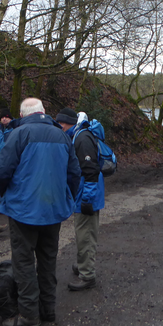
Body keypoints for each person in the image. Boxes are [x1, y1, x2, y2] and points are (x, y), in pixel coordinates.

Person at [0, 98, 81, 326]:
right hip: (52, 209)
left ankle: (29, 316)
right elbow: (74, 173)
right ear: (43, 112)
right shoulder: (62, 135)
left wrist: (5, 193)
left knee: (23, 262)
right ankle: (47, 309)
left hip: (23, 210)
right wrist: (65, 198)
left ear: (22, 115)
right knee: (47, 260)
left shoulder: (18, 134)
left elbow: (1, 170)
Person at [55, 108, 105, 291]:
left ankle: (87, 275)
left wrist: (87, 199)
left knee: (86, 235)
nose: (59, 127)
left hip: (86, 196)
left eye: (60, 123)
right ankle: (83, 264)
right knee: (83, 232)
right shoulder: (78, 135)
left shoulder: (82, 138)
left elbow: (90, 171)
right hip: (84, 194)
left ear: (66, 123)